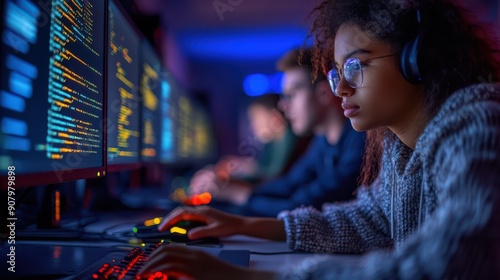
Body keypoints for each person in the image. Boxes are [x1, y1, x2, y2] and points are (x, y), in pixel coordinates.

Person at [139, 0, 500, 279]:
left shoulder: (477, 125)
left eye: (356, 67)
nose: (341, 88)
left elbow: (443, 265)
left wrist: (256, 278)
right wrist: (242, 224)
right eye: (338, 74)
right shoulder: (401, 147)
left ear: (414, 59)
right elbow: (371, 219)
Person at [190, 48, 366, 216]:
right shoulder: (322, 141)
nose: (282, 105)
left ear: (323, 93)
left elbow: (301, 206)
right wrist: (228, 185)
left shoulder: (360, 141)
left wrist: (239, 195)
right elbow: (287, 185)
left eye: (291, 95)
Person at [189, 93, 311, 204]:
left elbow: (274, 183)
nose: (253, 126)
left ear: (275, 116)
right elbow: (264, 169)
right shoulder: (274, 143)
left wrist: (231, 186)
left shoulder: (292, 142)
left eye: (255, 118)